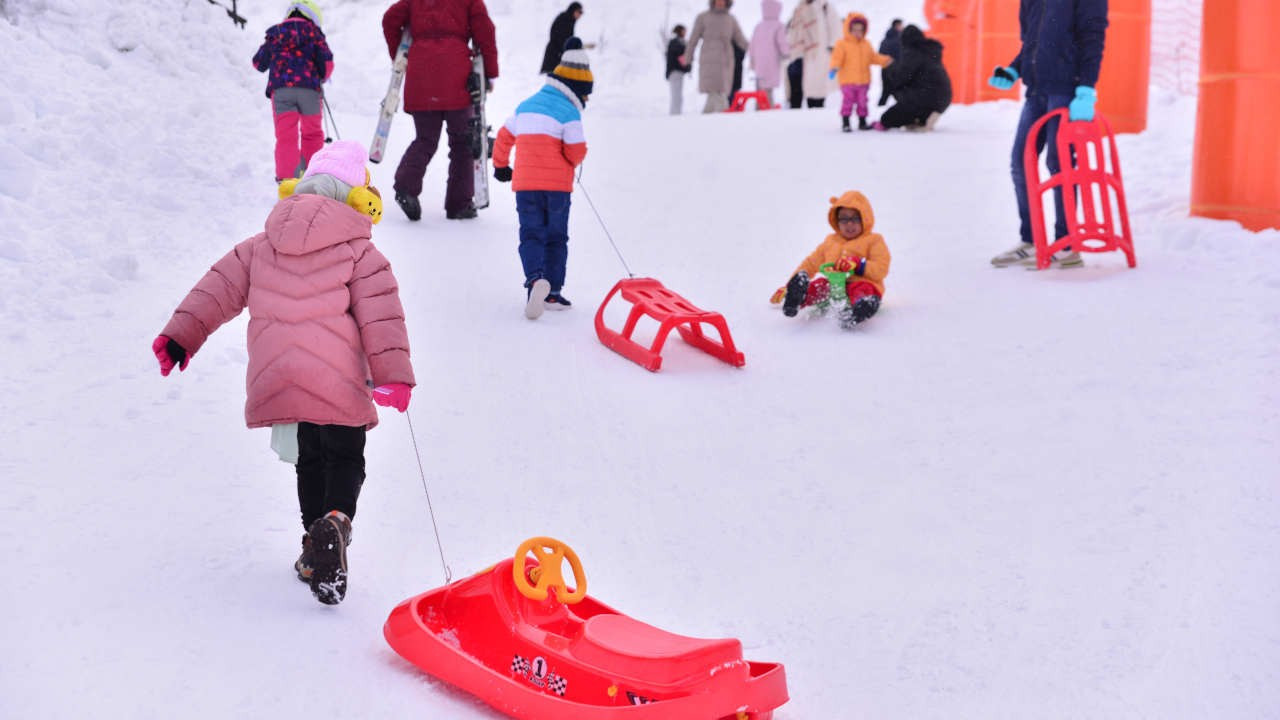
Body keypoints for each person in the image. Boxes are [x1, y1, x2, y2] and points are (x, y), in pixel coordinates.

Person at [150, 140, 415, 606]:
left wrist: (180, 336)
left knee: (310, 457)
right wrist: (393, 375)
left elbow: (215, 291)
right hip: (337, 379)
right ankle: (335, 521)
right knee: (345, 456)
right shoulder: (360, 253)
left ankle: (313, 551)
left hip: (280, 374)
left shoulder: (260, 245)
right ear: (356, 196)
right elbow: (382, 316)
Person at [988, 0, 1108, 269]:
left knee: (1060, 165)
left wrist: (1087, 88)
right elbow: (1031, 43)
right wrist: (1014, 70)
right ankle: (1031, 239)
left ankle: (1066, 244)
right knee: (1020, 162)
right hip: (1036, 92)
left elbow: (1092, 37)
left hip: (1066, 90)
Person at [492, 38, 591, 320]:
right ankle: (552, 292)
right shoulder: (569, 112)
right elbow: (575, 152)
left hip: (525, 187)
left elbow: (503, 135)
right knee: (556, 238)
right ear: (577, 88)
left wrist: (501, 166)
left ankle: (535, 280)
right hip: (557, 190)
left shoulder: (526, 106)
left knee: (531, 234)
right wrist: (574, 158)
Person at [382, 0, 498, 222]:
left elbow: (390, 19)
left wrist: (401, 55)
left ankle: (406, 186)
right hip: (457, 77)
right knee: (463, 143)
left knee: (425, 139)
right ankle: (459, 205)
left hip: (421, 75)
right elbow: (485, 32)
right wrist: (489, 73)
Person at [771, 191, 890, 329]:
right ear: (836, 221)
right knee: (819, 286)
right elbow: (811, 263)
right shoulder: (830, 242)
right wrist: (787, 286)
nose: (849, 224)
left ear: (865, 218)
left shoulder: (873, 241)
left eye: (855, 218)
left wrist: (858, 264)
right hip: (833, 286)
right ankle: (797, 298)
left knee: (863, 289)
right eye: (844, 219)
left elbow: (881, 268)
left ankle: (861, 307)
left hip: (860, 282)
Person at [252, 0, 333, 182]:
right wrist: (322, 76)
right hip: (309, 92)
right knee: (312, 134)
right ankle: (312, 177)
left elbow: (258, 63)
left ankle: (287, 182)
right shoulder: (314, 33)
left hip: (282, 92)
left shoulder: (276, 33)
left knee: (285, 136)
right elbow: (326, 64)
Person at [877, 24, 951, 131]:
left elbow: (900, 78)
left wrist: (890, 67)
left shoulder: (913, 53)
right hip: (942, 99)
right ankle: (922, 117)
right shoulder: (930, 50)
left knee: (886, 119)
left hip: (925, 99)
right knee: (912, 91)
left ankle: (920, 117)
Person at [682, 0, 750, 114]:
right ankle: (722, 119)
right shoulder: (703, 17)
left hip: (726, 59)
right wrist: (688, 56)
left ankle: (709, 120)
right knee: (716, 92)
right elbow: (693, 39)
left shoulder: (730, 19)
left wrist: (756, 52)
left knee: (718, 92)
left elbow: (741, 39)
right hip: (709, 58)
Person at [828, 13, 891, 132]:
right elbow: (837, 58)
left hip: (863, 80)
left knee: (863, 102)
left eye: (860, 30)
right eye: (855, 30)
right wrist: (834, 67)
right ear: (848, 29)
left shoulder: (866, 44)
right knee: (848, 102)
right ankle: (845, 122)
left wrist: (885, 60)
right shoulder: (842, 44)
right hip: (848, 81)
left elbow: (873, 57)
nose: (858, 33)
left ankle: (862, 121)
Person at [785, 0, 842, 108]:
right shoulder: (799, 8)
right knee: (796, 87)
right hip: (799, 54)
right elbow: (792, 31)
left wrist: (833, 46)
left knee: (817, 89)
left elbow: (836, 29)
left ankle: (816, 112)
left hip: (819, 54)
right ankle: (794, 113)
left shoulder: (825, 7)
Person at [748, 0, 790, 107]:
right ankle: (767, 107)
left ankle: (759, 106)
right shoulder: (779, 26)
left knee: (760, 85)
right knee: (768, 87)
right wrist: (787, 53)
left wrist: (752, 62)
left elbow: (752, 45)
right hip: (772, 62)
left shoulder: (759, 26)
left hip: (759, 63)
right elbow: (782, 42)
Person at [541, 2, 583, 74]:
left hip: (559, 54)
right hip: (555, 55)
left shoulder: (569, 20)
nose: (580, 14)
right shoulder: (564, 19)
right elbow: (558, 38)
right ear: (573, 10)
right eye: (579, 12)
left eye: (582, 12)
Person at [876, 17, 903, 105]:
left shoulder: (886, 39)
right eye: (900, 25)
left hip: (886, 68)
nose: (902, 27)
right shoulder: (899, 39)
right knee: (897, 91)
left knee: (887, 91)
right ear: (896, 26)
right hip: (894, 69)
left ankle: (880, 107)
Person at [667, 24, 692, 115]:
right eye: (684, 31)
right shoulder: (676, 43)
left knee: (677, 95)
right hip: (675, 72)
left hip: (677, 72)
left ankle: (676, 113)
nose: (685, 33)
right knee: (676, 95)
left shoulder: (677, 42)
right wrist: (687, 66)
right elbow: (680, 56)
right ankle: (675, 114)